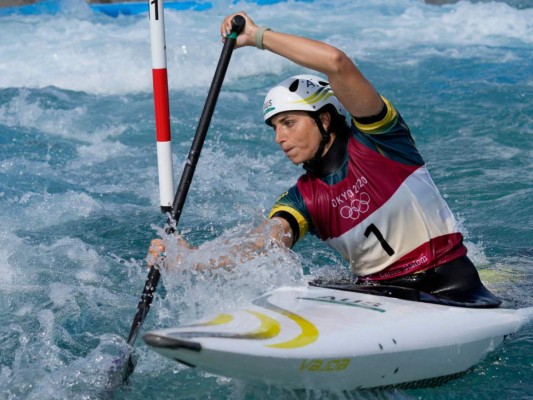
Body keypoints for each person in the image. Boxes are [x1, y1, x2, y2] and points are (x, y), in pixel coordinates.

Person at [149, 11, 500, 308]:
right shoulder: (303, 197)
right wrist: (188, 259)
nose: (280, 137)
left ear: (325, 119)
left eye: (289, 122)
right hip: (383, 301)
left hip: (454, 290)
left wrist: (257, 36)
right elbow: (262, 243)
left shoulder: (381, 141)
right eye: (274, 128)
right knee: (316, 284)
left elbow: (336, 62)